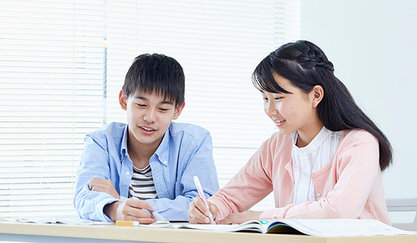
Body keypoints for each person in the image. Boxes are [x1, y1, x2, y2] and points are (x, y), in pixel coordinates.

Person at [188, 40, 393, 225]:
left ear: (316, 95)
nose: (269, 111)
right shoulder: (277, 146)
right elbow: (230, 198)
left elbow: (338, 211)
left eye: (278, 98)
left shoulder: (360, 143)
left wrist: (259, 217)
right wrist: (210, 209)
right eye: (265, 99)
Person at [74, 53, 219, 223]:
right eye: (141, 105)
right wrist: (115, 209)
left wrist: (120, 203)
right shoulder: (101, 141)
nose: (150, 117)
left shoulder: (194, 142)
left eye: (163, 109)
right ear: (123, 100)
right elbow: (83, 197)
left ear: (178, 110)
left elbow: (203, 205)